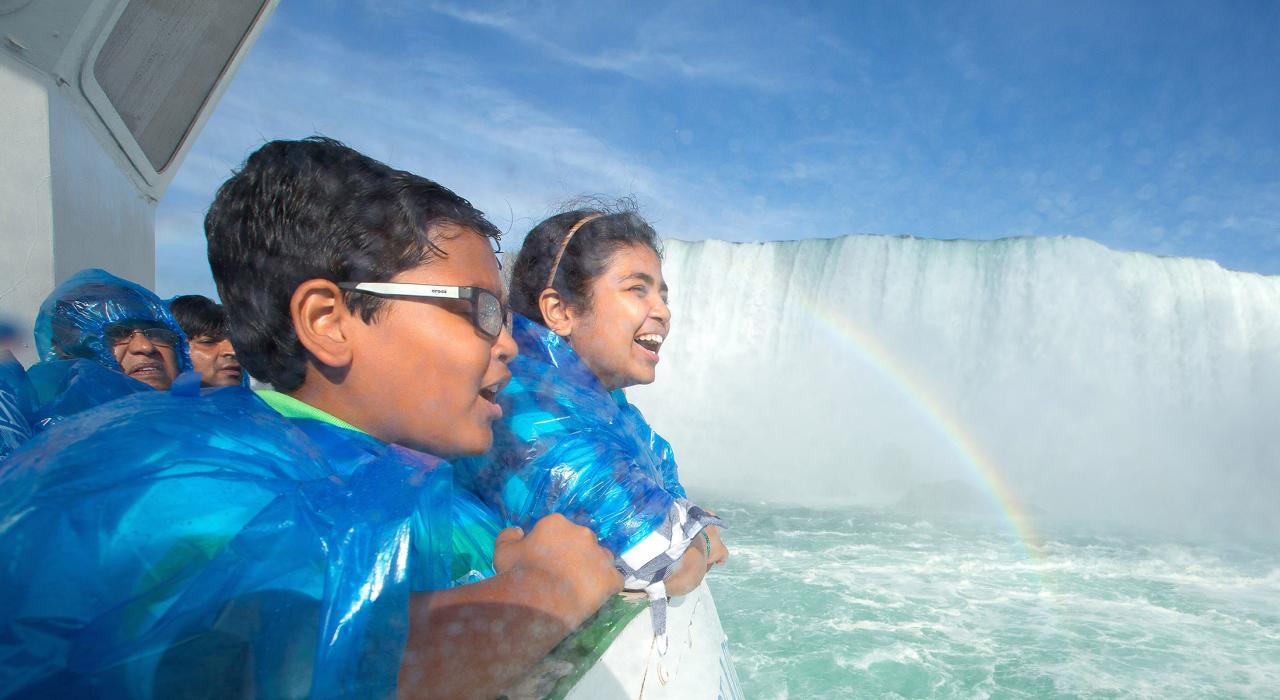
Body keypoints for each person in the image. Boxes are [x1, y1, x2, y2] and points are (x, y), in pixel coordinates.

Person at [0, 138, 621, 699]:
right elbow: (291, 672)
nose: (509, 343)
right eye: (482, 309)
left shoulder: (373, 475)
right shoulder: (204, 488)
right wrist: (546, 589)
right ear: (328, 320)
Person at [455, 206, 728, 640]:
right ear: (560, 311)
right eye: (638, 289)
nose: (663, 311)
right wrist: (706, 540)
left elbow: (665, 487)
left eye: (664, 295)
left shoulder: (601, 402)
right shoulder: (529, 409)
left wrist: (690, 528)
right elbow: (657, 554)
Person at [33, 268, 190, 391]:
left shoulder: (206, 422)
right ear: (66, 356)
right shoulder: (53, 430)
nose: (146, 347)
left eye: (157, 333)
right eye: (118, 333)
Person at [169, 294, 245, 387]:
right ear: (175, 350)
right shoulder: (150, 401)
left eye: (237, 343)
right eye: (208, 342)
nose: (233, 351)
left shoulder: (257, 400)